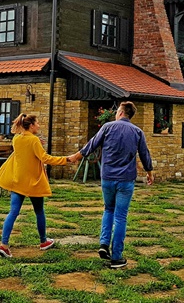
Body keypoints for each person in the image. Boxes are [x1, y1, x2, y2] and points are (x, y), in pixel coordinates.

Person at [68, 101, 153, 269]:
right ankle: (116, 257)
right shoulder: (137, 132)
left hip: (107, 178)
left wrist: (76, 157)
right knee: (120, 216)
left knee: (108, 209)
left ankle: (103, 244)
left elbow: (92, 144)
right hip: (126, 180)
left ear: (120, 112)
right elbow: (144, 154)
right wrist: (149, 172)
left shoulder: (107, 127)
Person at [0, 113, 76, 258]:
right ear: (31, 125)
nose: (39, 126)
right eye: (37, 123)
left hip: (18, 181)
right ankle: (43, 241)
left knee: (13, 212)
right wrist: (66, 159)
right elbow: (45, 158)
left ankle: (4, 245)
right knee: (39, 212)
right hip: (33, 182)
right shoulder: (34, 140)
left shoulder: (17, 138)